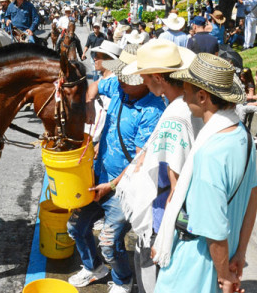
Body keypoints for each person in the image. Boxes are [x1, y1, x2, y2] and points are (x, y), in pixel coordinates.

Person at [153, 53, 257, 293]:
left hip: (194, 267)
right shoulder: (243, 136)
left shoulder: (210, 153)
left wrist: (225, 277)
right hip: (225, 257)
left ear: (202, 97)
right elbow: (252, 198)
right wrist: (239, 253)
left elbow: (215, 230)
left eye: (186, 90)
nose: (183, 95)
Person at [67, 44, 165, 292]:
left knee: (110, 244)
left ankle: (123, 280)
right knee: (75, 228)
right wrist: (89, 103)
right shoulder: (120, 86)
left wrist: (111, 185)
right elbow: (95, 86)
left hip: (123, 190)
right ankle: (93, 268)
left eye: (126, 78)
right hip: (98, 176)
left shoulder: (153, 110)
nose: (119, 81)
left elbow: (140, 160)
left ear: (144, 81)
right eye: (119, 76)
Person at [114, 40, 199, 293]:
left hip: (161, 220)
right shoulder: (187, 104)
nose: (141, 80)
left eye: (145, 76)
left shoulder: (175, 115)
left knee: (150, 283)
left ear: (159, 78)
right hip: (169, 218)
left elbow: (176, 183)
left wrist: (162, 237)